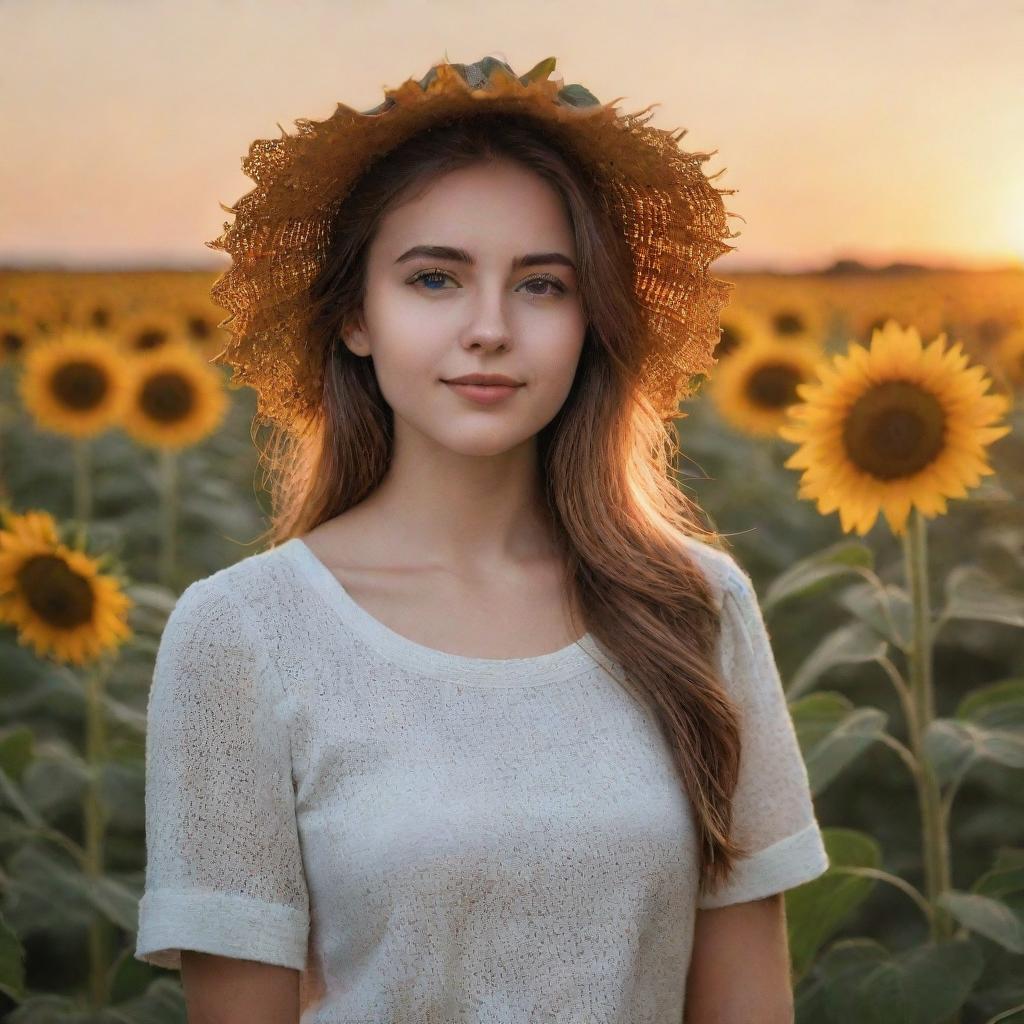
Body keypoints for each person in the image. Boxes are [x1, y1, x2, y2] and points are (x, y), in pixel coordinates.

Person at [134, 55, 830, 1023]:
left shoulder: (693, 607)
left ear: (591, 321)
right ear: (354, 316)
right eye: (434, 279)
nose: (490, 328)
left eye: (542, 286)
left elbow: (748, 1000)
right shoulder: (244, 633)